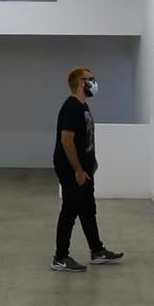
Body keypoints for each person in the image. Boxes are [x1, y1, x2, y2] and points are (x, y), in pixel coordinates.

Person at [51, 66, 123, 272]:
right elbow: (66, 141)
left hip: (85, 168)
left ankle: (97, 251)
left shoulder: (83, 107)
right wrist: (78, 170)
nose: (94, 82)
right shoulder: (71, 107)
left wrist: (91, 163)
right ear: (80, 83)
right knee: (70, 211)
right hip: (72, 169)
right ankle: (60, 258)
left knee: (88, 210)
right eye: (90, 79)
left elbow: (85, 139)